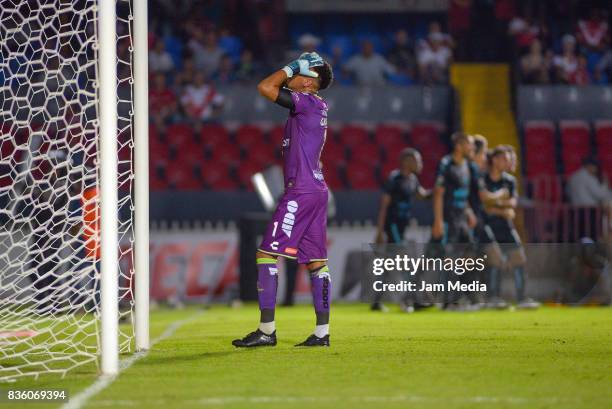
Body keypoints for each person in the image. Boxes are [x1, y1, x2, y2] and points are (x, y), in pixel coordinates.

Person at [232, 52, 334, 348]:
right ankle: (322, 333)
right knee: (317, 262)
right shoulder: (314, 108)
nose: (293, 76)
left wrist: (289, 66)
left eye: (301, 73)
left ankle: (266, 330)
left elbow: (265, 87)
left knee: (266, 253)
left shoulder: (307, 101)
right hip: (315, 189)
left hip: (300, 190)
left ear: (309, 83)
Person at [371, 148, 430, 313]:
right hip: (393, 227)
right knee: (406, 262)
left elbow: (422, 194)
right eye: (417, 160)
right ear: (407, 161)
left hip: (402, 228)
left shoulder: (413, 180)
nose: (420, 164)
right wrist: (380, 231)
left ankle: (376, 302)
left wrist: (439, 191)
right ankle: (410, 300)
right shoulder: (394, 179)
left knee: (389, 265)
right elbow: (384, 205)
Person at [483, 147, 537, 308]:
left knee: (519, 259)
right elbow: (483, 205)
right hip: (488, 226)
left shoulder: (510, 180)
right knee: (495, 261)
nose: (508, 163)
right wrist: (500, 207)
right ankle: (493, 297)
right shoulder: (483, 179)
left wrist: (494, 205)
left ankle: (522, 298)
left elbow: (512, 203)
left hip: (506, 226)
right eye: (505, 159)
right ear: (495, 160)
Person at [431, 132, 477, 307]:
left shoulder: (467, 165)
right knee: (448, 259)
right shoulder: (446, 164)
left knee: (470, 254)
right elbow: (438, 193)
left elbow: (463, 195)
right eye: (469, 144)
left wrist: (469, 211)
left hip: (462, 218)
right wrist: (438, 220)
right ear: (459, 145)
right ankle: (449, 300)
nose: (471, 148)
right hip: (448, 218)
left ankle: (462, 295)